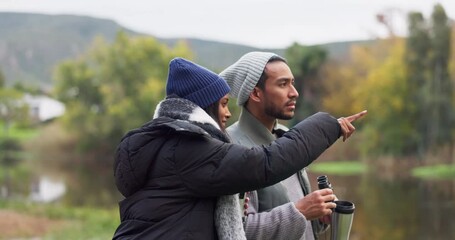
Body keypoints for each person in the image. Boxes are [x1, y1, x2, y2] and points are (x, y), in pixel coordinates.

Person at [112, 57, 351, 240]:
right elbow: (268, 164)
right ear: (206, 107)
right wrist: (328, 125)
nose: (227, 113)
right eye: (223, 104)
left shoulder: (173, 144)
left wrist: (317, 216)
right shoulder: (191, 148)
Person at [220, 51, 367, 240]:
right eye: (283, 84)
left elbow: (299, 225)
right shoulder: (232, 147)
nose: (294, 93)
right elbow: (237, 230)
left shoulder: (285, 137)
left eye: (292, 83)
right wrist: (301, 210)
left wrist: (319, 216)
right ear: (256, 93)